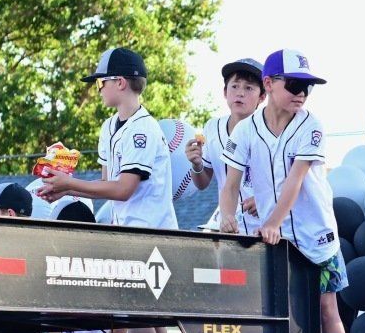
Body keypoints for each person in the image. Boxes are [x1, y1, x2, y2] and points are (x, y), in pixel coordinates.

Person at [215, 50, 355, 333]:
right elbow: (230, 184)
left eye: (307, 87)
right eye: (294, 85)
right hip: (274, 239)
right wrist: (226, 215)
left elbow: (295, 181)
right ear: (270, 84)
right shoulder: (246, 130)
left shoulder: (311, 125)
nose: (301, 94)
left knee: (327, 308)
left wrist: (272, 221)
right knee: (278, 314)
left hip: (314, 234)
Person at [38, 47, 177, 230]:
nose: (98, 90)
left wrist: (70, 182)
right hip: (128, 232)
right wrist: (65, 190)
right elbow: (107, 185)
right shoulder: (108, 126)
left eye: (100, 83)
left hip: (155, 234)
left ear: (120, 82)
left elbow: (123, 190)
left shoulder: (142, 128)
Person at [188, 55, 265, 230]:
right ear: (225, 92)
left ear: (262, 96)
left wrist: (267, 201)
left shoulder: (271, 130)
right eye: (235, 86)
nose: (240, 93)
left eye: (249, 88)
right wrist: (196, 164)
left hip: (265, 226)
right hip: (227, 224)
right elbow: (202, 183)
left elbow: (291, 182)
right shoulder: (212, 127)